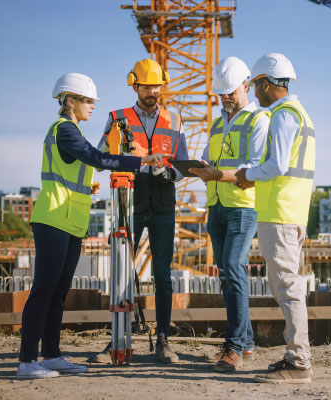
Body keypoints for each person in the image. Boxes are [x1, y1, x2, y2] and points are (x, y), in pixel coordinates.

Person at [17, 73, 165, 379]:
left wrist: (88, 188)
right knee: (43, 291)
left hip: (70, 221)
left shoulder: (73, 131)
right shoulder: (64, 130)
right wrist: (143, 161)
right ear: (70, 101)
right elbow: (97, 158)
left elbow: (81, 166)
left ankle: (52, 354)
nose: (92, 106)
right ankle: (27, 361)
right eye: (87, 100)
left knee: (59, 292)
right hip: (53, 220)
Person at [99, 59, 189, 364]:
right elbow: (102, 158)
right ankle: (116, 340)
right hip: (129, 202)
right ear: (134, 85)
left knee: (163, 275)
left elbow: (183, 165)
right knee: (122, 272)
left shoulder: (175, 121)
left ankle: (163, 339)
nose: (153, 91)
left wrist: (170, 173)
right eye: (147, 86)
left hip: (163, 204)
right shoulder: (118, 118)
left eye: (157, 86)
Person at [235, 53, 316, 384]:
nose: (255, 93)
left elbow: (277, 166)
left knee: (286, 285)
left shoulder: (283, 115)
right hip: (291, 212)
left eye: (256, 86)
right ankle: (295, 356)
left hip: (281, 213)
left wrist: (247, 174)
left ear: (266, 83)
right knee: (287, 283)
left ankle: (298, 362)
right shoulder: (301, 114)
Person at [188, 57, 270, 372]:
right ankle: (246, 342)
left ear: (245, 86)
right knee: (226, 275)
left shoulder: (258, 120)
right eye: (221, 93)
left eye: (230, 91)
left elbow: (252, 168)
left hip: (242, 206)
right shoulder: (217, 123)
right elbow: (209, 160)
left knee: (234, 268)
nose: (225, 97)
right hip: (216, 206)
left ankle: (233, 347)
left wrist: (215, 175)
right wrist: (188, 166)